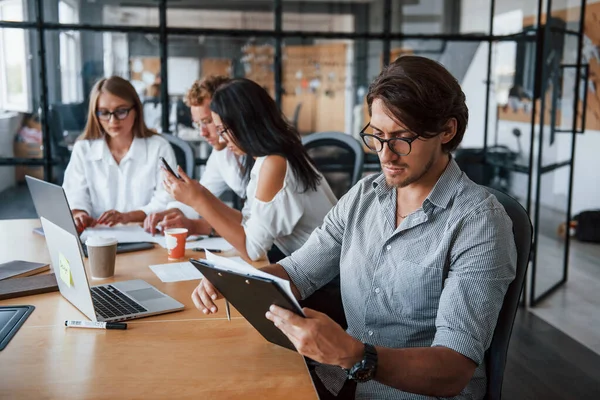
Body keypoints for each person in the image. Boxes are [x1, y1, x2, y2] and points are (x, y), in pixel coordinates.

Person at [192, 56, 518, 399]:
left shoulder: (480, 222)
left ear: (447, 131)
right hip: (346, 381)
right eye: (377, 135)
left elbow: (452, 370)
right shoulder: (365, 195)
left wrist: (356, 355)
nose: (385, 155)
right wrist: (237, 282)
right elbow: (299, 271)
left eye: (402, 138)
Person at [163, 78, 337, 262]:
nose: (221, 139)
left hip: (327, 278)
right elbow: (247, 221)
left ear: (244, 123)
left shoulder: (274, 163)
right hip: (309, 267)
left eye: (222, 130)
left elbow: (253, 250)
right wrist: (202, 195)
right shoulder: (269, 157)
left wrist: (198, 201)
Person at [63, 76, 176, 232]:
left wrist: (127, 217)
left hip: (147, 235)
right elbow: (75, 194)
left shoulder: (159, 147)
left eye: (121, 111)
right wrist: (80, 214)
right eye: (104, 112)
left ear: (136, 110)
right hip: (96, 237)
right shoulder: (83, 149)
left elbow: (167, 200)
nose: (113, 121)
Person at [143, 75, 248, 236]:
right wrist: (173, 212)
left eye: (207, 121)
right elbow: (203, 195)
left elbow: (259, 228)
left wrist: (198, 226)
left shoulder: (264, 158)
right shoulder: (221, 154)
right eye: (197, 124)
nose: (202, 133)